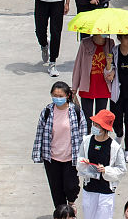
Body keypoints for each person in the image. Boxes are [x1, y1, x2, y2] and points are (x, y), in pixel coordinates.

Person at [33, 82, 86, 211]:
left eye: (60, 95)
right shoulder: (47, 111)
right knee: (56, 189)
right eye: (54, 95)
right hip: (52, 158)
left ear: (67, 96)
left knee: (71, 186)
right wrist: (37, 153)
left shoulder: (76, 112)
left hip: (70, 157)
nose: (57, 98)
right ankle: (61, 213)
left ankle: (71, 202)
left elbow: (83, 133)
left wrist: (84, 155)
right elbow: (40, 132)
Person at [77, 108, 127, 219]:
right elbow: (79, 159)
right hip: (89, 188)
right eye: (94, 124)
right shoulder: (86, 141)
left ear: (105, 128)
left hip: (106, 191)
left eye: (97, 125)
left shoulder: (114, 147)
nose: (94, 127)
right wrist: (83, 163)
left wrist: (106, 170)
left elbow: (121, 169)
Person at [72, 33, 115, 123]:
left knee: (100, 120)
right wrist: (74, 88)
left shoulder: (110, 43)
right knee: (87, 119)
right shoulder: (85, 43)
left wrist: (109, 63)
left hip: (103, 87)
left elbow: (113, 67)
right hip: (87, 87)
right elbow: (78, 65)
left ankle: (98, 136)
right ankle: (87, 136)